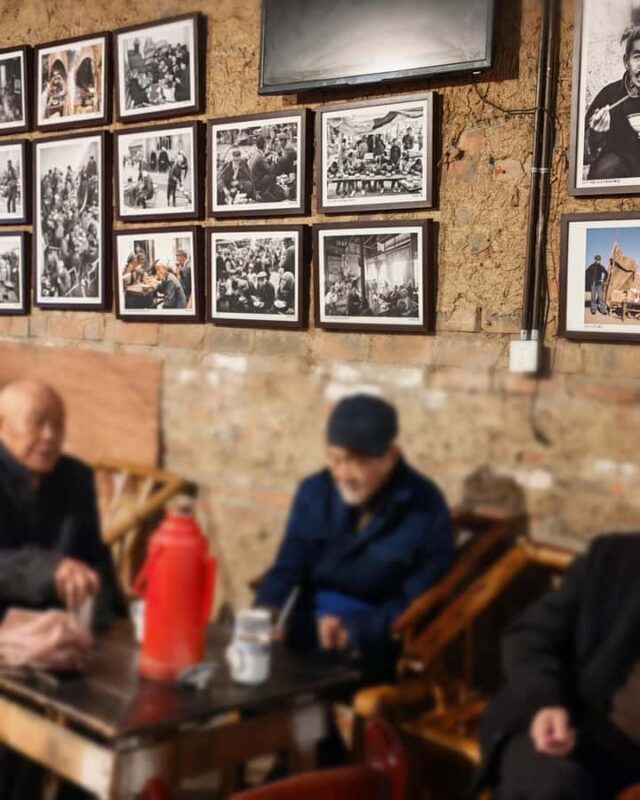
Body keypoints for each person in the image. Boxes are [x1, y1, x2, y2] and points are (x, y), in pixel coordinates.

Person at [256, 394, 453, 680]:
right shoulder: (315, 492)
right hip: (307, 624)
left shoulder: (425, 510)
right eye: (335, 459)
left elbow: (415, 599)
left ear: (391, 456)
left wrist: (355, 629)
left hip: (373, 640)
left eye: (357, 462)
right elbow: (289, 564)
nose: (343, 474)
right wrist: (269, 610)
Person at [0, 380, 126, 800]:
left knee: (109, 726)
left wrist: (115, 625)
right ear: (2, 426)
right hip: (7, 640)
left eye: (58, 423)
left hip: (66, 641)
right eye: (38, 423)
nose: (50, 436)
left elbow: (95, 559)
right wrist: (48, 569)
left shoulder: (75, 477)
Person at [476, 534, 640, 799]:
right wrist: (546, 702)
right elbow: (531, 635)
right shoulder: (616, 558)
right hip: (566, 722)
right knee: (551, 788)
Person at [584, 26, 640, 180]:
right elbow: (580, 157)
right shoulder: (609, 95)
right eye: (637, 56)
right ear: (626, 62)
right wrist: (595, 135)